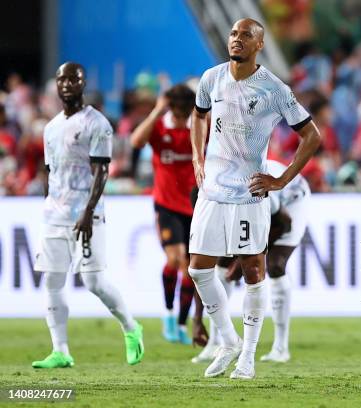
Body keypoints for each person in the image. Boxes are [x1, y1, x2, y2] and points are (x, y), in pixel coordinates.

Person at [188, 18, 321, 379]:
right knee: (198, 269)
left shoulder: (274, 89)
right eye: (233, 33)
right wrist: (198, 158)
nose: (237, 39)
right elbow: (198, 116)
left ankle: (247, 355)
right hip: (213, 191)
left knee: (253, 272)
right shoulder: (211, 78)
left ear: (259, 44)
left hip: (249, 194)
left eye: (246, 35)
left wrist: (281, 178)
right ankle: (228, 341)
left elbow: (311, 135)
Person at [32, 62, 144, 368]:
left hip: (86, 214)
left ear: (82, 84)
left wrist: (88, 211)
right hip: (53, 216)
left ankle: (131, 327)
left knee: (93, 281)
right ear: (56, 85)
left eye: (73, 79)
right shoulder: (51, 127)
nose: (66, 84)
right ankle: (61, 351)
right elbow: (50, 170)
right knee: (52, 282)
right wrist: (47, 203)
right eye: (61, 79)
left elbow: (102, 170)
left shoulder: (97, 123)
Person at [191, 159, 311, 364]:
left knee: (274, 266)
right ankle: (216, 342)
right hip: (253, 205)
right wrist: (196, 319)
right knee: (219, 263)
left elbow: (284, 223)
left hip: (291, 203)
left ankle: (280, 348)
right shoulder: (209, 196)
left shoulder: (250, 184)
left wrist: (241, 262)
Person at [130, 84, 198, 344]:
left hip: (194, 206)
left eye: (185, 116)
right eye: (178, 116)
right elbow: (136, 141)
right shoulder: (160, 128)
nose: (181, 122)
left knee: (192, 269)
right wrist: (157, 111)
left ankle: (181, 323)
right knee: (175, 259)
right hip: (166, 205)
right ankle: (168, 315)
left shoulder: (197, 128)